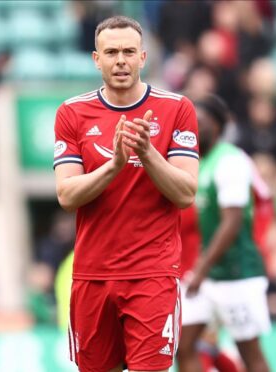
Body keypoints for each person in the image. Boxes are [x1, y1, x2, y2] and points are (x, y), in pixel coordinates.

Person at [54, 16, 199, 372]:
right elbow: (67, 195)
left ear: (143, 57)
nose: (120, 59)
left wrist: (147, 153)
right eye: (112, 52)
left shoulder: (177, 108)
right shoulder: (72, 113)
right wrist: (114, 165)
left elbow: (185, 192)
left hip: (152, 274)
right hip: (92, 275)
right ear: (96, 59)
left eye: (129, 51)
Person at [177, 94, 271, 372]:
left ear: (217, 126)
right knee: (184, 345)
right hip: (207, 277)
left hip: (236, 273)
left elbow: (232, 221)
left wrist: (201, 268)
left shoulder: (230, 160)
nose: (193, 128)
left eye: (200, 121)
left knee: (250, 352)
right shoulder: (199, 163)